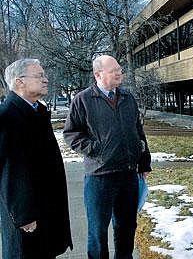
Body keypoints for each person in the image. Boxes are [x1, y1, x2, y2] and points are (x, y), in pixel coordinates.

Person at [63, 54, 151, 258]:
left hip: (128, 174)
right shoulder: (83, 100)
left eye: (119, 69)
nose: (120, 73)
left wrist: (144, 162)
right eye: (114, 71)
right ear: (98, 74)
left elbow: (138, 131)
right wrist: (96, 149)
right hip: (99, 176)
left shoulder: (128, 98)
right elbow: (71, 134)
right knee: (98, 230)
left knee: (127, 226)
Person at [0, 59, 72, 258]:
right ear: (19, 82)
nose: (46, 80)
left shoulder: (37, 112)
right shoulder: (6, 116)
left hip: (46, 211)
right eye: (39, 76)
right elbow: (8, 171)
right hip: (26, 219)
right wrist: (24, 215)